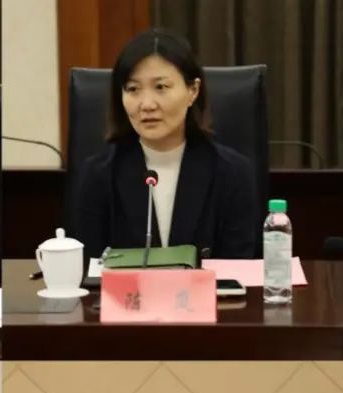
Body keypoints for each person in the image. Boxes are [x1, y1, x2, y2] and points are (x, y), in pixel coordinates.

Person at [75, 29, 258, 260]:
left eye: (161, 87)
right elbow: (88, 268)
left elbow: (239, 269)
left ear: (193, 91)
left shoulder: (232, 173)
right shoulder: (99, 175)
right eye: (133, 89)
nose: (147, 104)